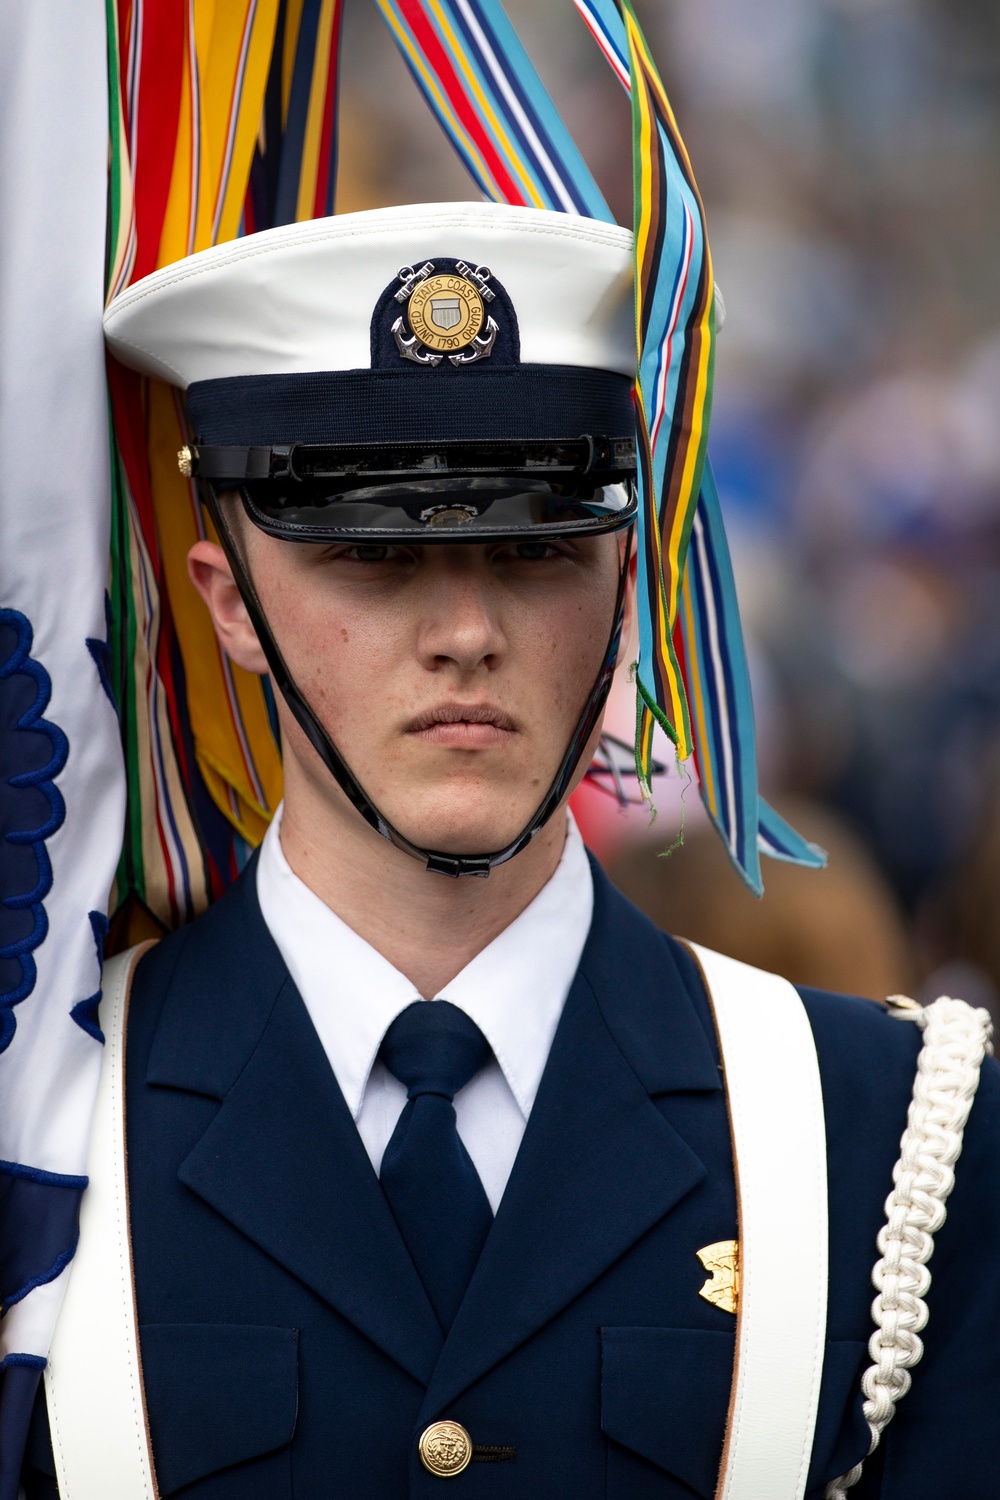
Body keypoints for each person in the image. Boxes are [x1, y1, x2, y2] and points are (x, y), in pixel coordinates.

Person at [21, 202, 1000, 1499]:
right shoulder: (43, 1123)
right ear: (228, 604)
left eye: (536, 546)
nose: (467, 629)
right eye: (373, 551)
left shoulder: (891, 1137)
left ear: (624, 578)